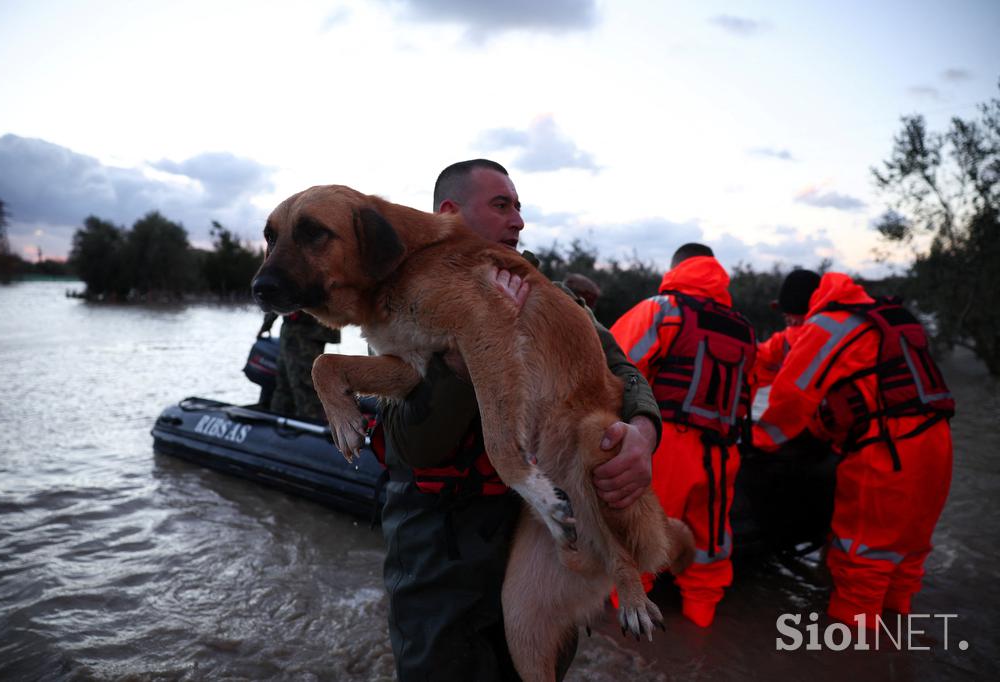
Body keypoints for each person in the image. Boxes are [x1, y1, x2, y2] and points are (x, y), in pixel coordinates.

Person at [377, 159, 661, 681]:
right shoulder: (405, 300)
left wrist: (642, 433)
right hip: (443, 560)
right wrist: (472, 349)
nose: (519, 222)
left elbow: (621, 368)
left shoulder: (552, 295)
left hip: (546, 539)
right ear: (450, 213)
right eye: (501, 205)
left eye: (519, 207)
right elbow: (408, 444)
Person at [752, 272, 954, 627]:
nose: (790, 324)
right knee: (905, 558)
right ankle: (898, 648)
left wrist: (758, 445)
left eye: (789, 317)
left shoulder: (826, 328)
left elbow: (790, 399)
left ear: (800, 311)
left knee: (861, 564)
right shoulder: (880, 316)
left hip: (886, 452)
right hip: (937, 444)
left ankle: (856, 659)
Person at [609, 243, 756, 627]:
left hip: (666, 446)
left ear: (677, 269)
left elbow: (614, 368)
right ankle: (700, 631)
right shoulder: (743, 328)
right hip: (723, 453)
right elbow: (748, 392)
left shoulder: (662, 309)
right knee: (710, 551)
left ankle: (627, 649)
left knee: (639, 543)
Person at [260, 311, 341, 420]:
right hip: (305, 331)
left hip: (301, 332)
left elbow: (279, 298)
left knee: (302, 387)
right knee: (288, 384)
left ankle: (309, 425)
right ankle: (282, 423)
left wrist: (266, 325)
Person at [752, 269, 821, 388]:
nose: (787, 320)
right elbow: (757, 359)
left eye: (788, 313)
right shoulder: (850, 330)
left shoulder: (788, 340)